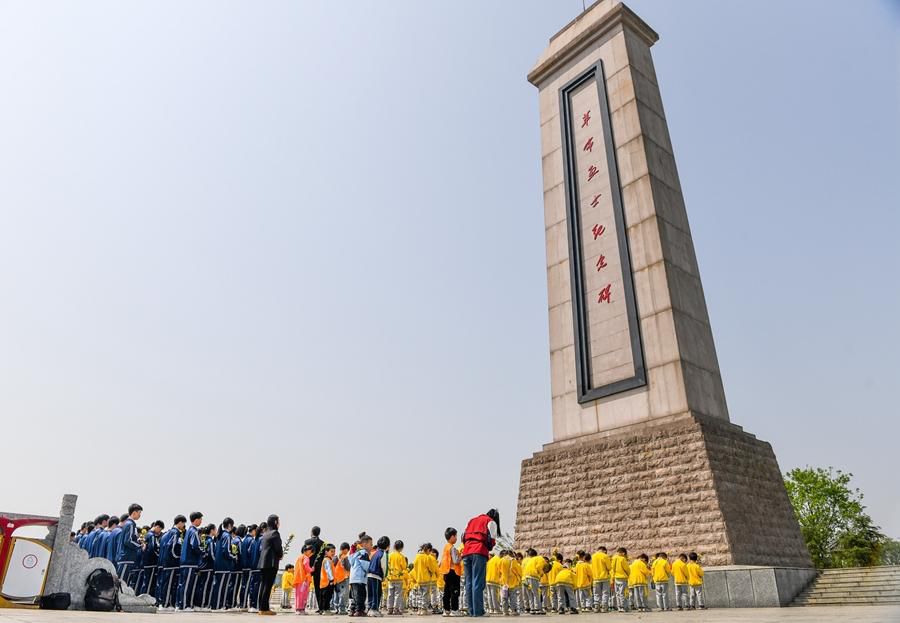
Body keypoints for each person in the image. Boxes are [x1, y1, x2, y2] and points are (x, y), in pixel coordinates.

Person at [460, 509, 499, 617]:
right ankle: (478, 611)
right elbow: (492, 539)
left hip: (467, 551)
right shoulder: (490, 521)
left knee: (468, 582)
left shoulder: (472, 520)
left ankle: (471, 611)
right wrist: (489, 547)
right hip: (479, 551)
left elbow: (463, 536)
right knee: (478, 581)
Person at [176, 511, 204, 611]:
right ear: (196, 520)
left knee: (182, 584)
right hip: (190, 562)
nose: (201, 521)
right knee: (187, 584)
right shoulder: (194, 531)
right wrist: (203, 551)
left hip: (185, 562)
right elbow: (195, 546)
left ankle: (180, 604)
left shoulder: (188, 531)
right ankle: (184, 605)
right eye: (200, 519)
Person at [157, 515, 186, 610]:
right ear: (180, 522)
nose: (183, 525)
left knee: (166, 583)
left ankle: (166, 603)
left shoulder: (167, 533)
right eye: (183, 523)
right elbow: (172, 547)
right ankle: (165, 604)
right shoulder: (175, 532)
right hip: (171, 562)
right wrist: (177, 557)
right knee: (169, 584)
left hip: (166, 562)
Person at [257, 514, 284, 616]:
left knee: (263, 585)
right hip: (271, 563)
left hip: (263, 563)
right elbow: (278, 548)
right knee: (267, 586)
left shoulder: (265, 533)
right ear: (275, 522)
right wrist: (280, 555)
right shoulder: (275, 533)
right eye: (278, 521)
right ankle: (264, 609)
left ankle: (261, 608)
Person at [212, 517, 237, 611]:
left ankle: (217, 605)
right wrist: (233, 557)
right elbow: (226, 551)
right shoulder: (226, 535)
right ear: (230, 525)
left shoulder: (220, 534)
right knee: (222, 587)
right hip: (224, 565)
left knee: (218, 586)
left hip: (218, 565)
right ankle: (218, 606)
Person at [116, 503, 143, 585]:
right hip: (126, 558)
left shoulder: (128, 524)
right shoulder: (130, 524)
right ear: (134, 512)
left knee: (123, 583)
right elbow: (128, 541)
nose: (140, 515)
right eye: (139, 513)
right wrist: (140, 546)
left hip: (126, 558)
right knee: (122, 583)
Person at [439, 528, 462, 617]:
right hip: (453, 572)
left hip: (446, 572)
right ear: (452, 536)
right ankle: (455, 610)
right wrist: (461, 556)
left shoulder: (445, 547)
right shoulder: (452, 548)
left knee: (447, 592)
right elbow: (456, 561)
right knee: (454, 591)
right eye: (456, 536)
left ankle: (446, 610)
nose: (456, 538)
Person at [303, 526, 326, 614]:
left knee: (305, 586)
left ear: (311, 532)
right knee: (317, 587)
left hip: (307, 565)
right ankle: (321, 608)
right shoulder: (323, 543)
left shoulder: (307, 542)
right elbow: (323, 555)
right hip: (318, 567)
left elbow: (303, 552)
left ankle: (302, 606)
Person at [138, 520, 164, 597]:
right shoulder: (152, 535)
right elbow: (152, 548)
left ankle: (142, 597)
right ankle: (146, 599)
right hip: (151, 562)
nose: (159, 532)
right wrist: (158, 556)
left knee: (146, 582)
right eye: (160, 529)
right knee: (149, 583)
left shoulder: (147, 535)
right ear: (157, 527)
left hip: (146, 561)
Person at [367, 536, 390, 616]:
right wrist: (384, 576)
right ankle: (374, 609)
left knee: (370, 593)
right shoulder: (383, 554)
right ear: (388, 546)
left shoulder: (375, 553)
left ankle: (370, 609)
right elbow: (384, 567)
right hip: (376, 576)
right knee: (377, 593)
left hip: (369, 575)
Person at [350, 535, 372, 617]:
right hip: (359, 578)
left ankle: (353, 610)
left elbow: (350, 560)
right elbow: (366, 566)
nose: (371, 546)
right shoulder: (364, 553)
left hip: (353, 578)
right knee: (361, 595)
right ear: (365, 544)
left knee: (354, 596)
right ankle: (359, 611)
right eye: (371, 544)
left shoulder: (356, 553)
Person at [196, 524, 217, 611]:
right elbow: (211, 554)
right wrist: (216, 563)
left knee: (201, 586)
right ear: (211, 530)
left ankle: (199, 604)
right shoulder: (210, 541)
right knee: (206, 587)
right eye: (215, 530)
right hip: (208, 567)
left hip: (202, 566)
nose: (216, 531)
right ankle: (203, 605)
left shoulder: (203, 540)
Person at [387, 540, 408, 615]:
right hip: (399, 578)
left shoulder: (390, 555)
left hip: (391, 577)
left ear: (394, 546)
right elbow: (404, 567)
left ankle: (389, 609)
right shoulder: (401, 556)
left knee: (390, 594)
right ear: (401, 548)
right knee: (397, 594)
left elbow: (388, 566)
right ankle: (396, 609)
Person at [294, 543, 314, 615]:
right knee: (303, 595)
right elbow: (306, 567)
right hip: (304, 580)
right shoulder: (306, 558)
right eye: (311, 551)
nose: (311, 553)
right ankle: (301, 609)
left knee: (298, 594)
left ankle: (298, 609)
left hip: (299, 579)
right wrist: (311, 569)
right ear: (307, 551)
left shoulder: (300, 557)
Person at [590, 546, 610, 613]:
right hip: (605, 577)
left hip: (595, 578)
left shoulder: (593, 556)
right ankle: (604, 607)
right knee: (605, 592)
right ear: (604, 550)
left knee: (596, 593)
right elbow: (609, 567)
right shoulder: (605, 556)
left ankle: (596, 607)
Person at [333, 542, 351, 615]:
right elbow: (348, 567)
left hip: (336, 578)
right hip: (344, 578)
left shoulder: (335, 557)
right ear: (346, 549)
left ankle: (336, 608)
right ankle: (342, 609)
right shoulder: (344, 557)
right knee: (343, 594)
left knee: (336, 594)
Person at [610, 548, 630, 613]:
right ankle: (623, 606)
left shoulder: (613, 558)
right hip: (622, 577)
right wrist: (628, 574)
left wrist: (613, 578)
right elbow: (627, 568)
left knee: (617, 593)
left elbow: (612, 568)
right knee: (623, 593)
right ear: (623, 553)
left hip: (616, 577)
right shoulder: (622, 559)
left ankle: (619, 607)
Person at [319, 544, 337, 614]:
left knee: (327, 597)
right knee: (327, 597)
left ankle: (325, 609)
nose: (333, 553)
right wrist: (332, 579)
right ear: (326, 552)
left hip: (326, 582)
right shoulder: (327, 560)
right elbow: (328, 570)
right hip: (327, 582)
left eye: (334, 551)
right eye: (331, 551)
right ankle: (325, 610)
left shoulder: (329, 560)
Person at [485, 550, 502, 614]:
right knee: (494, 595)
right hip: (494, 580)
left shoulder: (490, 561)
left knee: (489, 595)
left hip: (488, 579)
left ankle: (491, 609)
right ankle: (496, 609)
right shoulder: (498, 560)